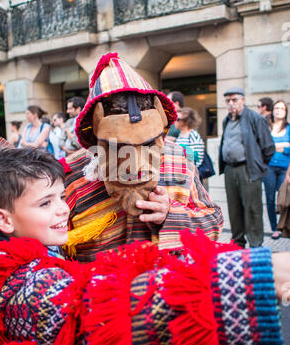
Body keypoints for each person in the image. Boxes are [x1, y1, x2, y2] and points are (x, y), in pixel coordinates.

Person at [0, 146, 288, 345]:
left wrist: (171, 214)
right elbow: (110, 314)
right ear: (4, 220)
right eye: (45, 203)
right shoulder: (25, 284)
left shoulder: (178, 161)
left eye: (62, 197)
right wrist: (257, 276)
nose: (63, 209)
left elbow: (212, 218)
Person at [64, 53, 223, 262]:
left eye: (148, 144)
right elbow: (49, 248)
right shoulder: (72, 173)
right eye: (119, 146)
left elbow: (214, 224)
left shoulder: (178, 160)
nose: (136, 165)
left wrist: (171, 215)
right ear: (95, 134)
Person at [219, 87, 275, 249]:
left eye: (234, 100)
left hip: (248, 169)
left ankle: (256, 244)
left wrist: (258, 164)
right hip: (230, 169)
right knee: (234, 208)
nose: (231, 104)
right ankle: (237, 243)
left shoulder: (255, 118)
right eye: (228, 101)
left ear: (242, 100)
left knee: (252, 208)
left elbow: (268, 147)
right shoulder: (226, 120)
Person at [263, 100, 290, 240]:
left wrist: (281, 147)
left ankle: (285, 225)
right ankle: (274, 228)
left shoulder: (289, 128)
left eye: (282, 108)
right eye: (277, 108)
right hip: (268, 168)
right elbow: (265, 147)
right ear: (272, 110)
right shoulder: (267, 127)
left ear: (286, 112)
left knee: (284, 199)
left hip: (285, 169)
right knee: (270, 198)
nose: (279, 110)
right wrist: (283, 145)